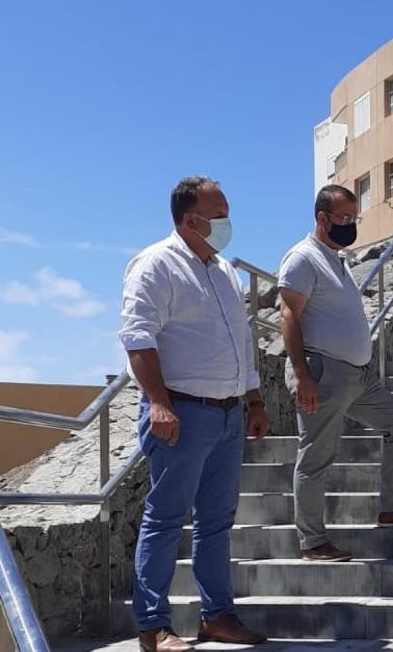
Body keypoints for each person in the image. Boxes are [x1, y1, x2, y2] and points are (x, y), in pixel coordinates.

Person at [119, 176, 269, 652]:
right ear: (190, 219)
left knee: (217, 521)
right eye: (219, 213)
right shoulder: (156, 264)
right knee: (165, 519)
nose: (227, 222)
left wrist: (256, 401)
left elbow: (242, 341)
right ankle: (153, 626)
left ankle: (217, 616)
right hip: (181, 412)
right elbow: (138, 336)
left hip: (226, 415)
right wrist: (159, 402)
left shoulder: (223, 270)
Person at [278, 184, 393, 562]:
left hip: (359, 376)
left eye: (353, 218)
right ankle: (312, 542)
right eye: (343, 218)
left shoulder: (336, 260)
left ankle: (392, 507)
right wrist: (302, 374)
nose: (350, 225)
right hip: (322, 370)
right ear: (321, 218)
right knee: (317, 455)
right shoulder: (302, 258)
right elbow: (288, 315)